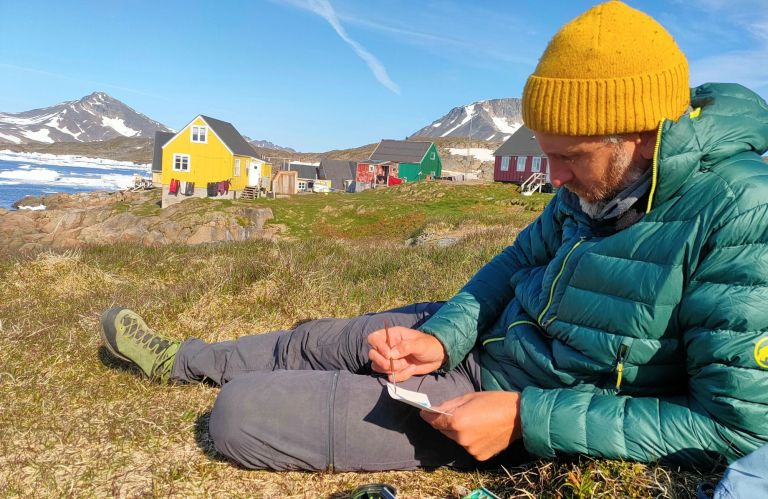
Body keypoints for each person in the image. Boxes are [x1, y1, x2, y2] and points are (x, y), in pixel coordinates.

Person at [100, 0, 768, 472]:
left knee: (239, 415)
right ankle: (178, 360)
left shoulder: (739, 212)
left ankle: (221, 383)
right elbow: (517, 260)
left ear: (641, 136)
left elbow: (738, 427)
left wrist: (525, 420)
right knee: (313, 339)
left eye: (569, 155)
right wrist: (442, 334)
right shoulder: (592, 185)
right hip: (476, 342)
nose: (553, 175)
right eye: (545, 153)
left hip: (507, 403)